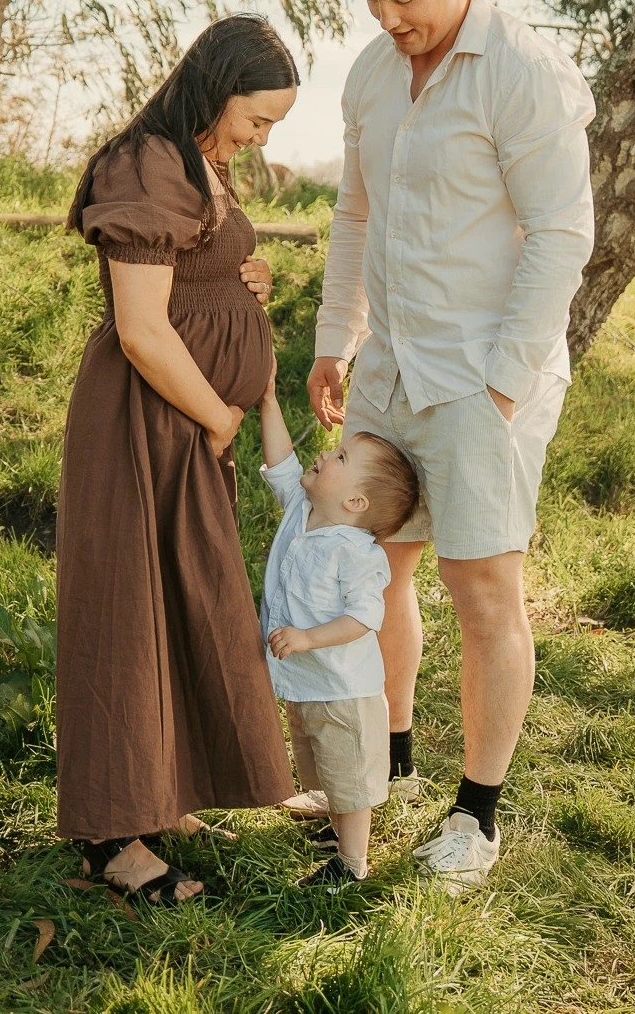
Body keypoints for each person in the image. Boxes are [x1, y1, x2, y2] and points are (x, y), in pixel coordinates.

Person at [307, 0, 596, 892]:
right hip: (389, 366)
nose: (390, 21)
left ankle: (477, 814)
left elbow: (564, 232)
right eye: (372, 1)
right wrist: (336, 338)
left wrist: (505, 388)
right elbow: (355, 214)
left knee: (484, 590)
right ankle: (383, 760)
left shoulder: (524, 70)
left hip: (482, 381)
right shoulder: (372, 79)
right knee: (372, 568)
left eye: (405, 0)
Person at [56, 15, 299, 905]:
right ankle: (113, 840)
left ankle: (166, 790)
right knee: (127, 615)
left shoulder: (200, 161)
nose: (259, 137)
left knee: (182, 603)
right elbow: (143, 329)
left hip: (186, 424)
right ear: (215, 85)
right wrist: (218, 416)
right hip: (145, 420)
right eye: (257, 118)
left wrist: (249, 279)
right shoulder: (145, 162)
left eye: (271, 126)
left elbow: (194, 273)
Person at [256, 359, 420, 892]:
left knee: (347, 773)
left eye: (340, 456)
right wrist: (268, 402)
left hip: (342, 688)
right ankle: (331, 828)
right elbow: (282, 463)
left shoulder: (356, 553)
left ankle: (351, 862)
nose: (326, 452)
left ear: (354, 502)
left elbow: (365, 617)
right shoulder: (302, 511)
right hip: (304, 683)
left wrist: (307, 638)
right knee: (315, 759)